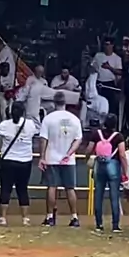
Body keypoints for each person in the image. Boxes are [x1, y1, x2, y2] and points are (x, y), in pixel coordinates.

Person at [39, 91, 83, 227]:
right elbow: (78, 139)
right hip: (68, 160)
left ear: (54, 103)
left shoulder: (48, 119)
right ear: (65, 103)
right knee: (70, 188)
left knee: (51, 187)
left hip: (52, 157)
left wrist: (42, 157)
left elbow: (43, 139)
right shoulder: (74, 119)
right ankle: (74, 216)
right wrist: (69, 153)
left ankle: (50, 216)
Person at [0, 101, 36, 226]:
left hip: (8, 160)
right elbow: (34, 134)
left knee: (5, 189)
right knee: (23, 189)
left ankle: (2, 218)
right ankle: (25, 218)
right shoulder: (30, 124)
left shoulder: (4, 125)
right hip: (25, 161)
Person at [86, 114, 127, 233]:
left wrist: (88, 158)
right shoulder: (118, 136)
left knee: (98, 195)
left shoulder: (96, 134)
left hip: (99, 165)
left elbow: (89, 149)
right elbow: (122, 154)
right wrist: (125, 171)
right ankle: (115, 225)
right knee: (114, 196)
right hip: (113, 164)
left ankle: (99, 224)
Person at [92, 38, 122, 116]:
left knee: (110, 105)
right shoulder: (98, 55)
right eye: (105, 45)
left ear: (112, 45)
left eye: (108, 45)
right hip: (98, 82)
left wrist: (109, 67)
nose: (106, 47)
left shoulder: (117, 58)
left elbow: (120, 72)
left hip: (109, 84)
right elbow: (92, 67)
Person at [17, 65, 48, 129]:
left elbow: (46, 93)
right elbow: (26, 91)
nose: (40, 73)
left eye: (41, 72)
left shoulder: (44, 81)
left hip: (42, 102)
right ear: (35, 71)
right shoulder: (30, 79)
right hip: (31, 102)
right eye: (38, 72)